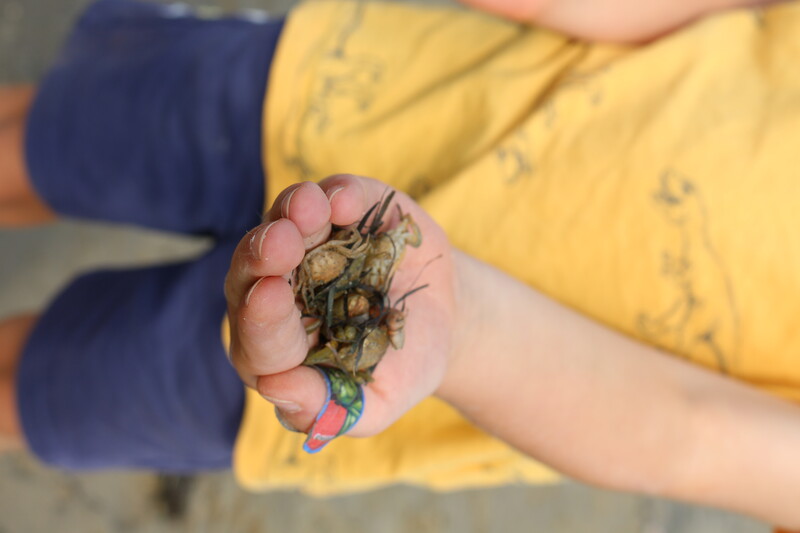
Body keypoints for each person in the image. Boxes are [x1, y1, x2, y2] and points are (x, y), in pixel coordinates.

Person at [1, 0, 799, 528]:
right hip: (360, 84)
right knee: (45, 140)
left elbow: (685, 433)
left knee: (40, 387)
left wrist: (462, 329)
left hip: (398, 371)